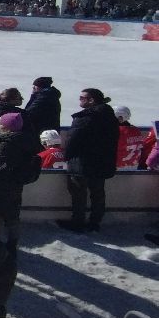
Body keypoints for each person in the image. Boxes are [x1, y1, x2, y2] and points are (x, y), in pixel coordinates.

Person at [59, 88, 119, 233]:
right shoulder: (110, 116)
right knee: (98, 194)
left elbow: (73, 140)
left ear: (91, 100)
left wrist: (66, 156)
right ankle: (95, 222)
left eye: (82, 98)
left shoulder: (85, 117)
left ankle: (77, 222)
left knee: (79, 194)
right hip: (102, 162)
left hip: (82, 163)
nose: (79, 100)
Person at [0, 111, 35, 252]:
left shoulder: (6, 144)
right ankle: (12, 246)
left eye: (1, 125)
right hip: (16, 185)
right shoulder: (26, 142)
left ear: (6, 127)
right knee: (13, 217)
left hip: (0, 186)